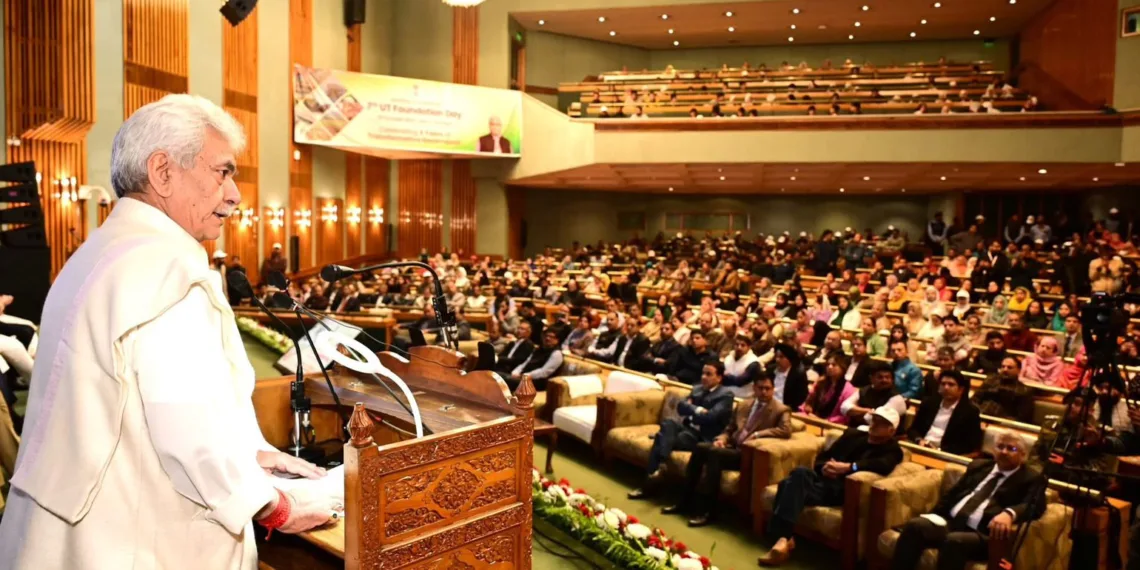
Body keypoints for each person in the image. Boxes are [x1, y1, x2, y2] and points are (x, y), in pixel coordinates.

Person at [0, 95, 340, 569]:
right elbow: (186, 429)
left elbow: (122, 403)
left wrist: (250, 454)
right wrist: (276, 505)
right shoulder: (169, 268)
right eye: (222, 172)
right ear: (163, 172)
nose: (235, 194)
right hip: (132, 541)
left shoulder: (95, 253)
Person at [758, 407, 904, 566]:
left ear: (891, 431)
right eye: (874, 419)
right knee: (799, 474)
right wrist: (825, 467)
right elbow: (824, 457)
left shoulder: (893, 450)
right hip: (821, 480)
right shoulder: (853, 435)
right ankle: (784, 539)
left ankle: (781, 537)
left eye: (881, 423)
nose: (874, 424)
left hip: (840, 490)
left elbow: (882, 465)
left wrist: (849, 467)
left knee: (787, 484)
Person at [889, 432, 1046, 570]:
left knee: (954, 541)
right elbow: (953, 494)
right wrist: (933, 515)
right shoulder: (979, 466)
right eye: (1000, 447)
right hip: (951, 522)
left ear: (1023, 455)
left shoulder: (1031, 478)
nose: (1004, 452)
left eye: (1011, 449)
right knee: (915, 526)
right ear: (993, 450)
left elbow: (1035, 505)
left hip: (982, 533)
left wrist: (1010, 513)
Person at [665, 372, 791, 526]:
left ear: (773, 389)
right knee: (700, 448)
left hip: (747, 454)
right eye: (760, 388)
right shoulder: (745, 404)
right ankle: (684, 501)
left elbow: (785, 430)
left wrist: (758, 434)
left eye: (768, 388)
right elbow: (729, 428)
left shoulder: (780, 410)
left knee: (713, 453)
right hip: (731, 448)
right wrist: (721, 439)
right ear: (754, 388)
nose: (764, 392)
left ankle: (708, 511)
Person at [628, 362, 734, 499]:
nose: (704, 377)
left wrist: (693, 408)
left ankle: (648, 486)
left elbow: (711, 417)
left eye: (709, 374)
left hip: (700, 436)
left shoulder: (726, 395)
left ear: (719, 378)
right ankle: (660, 466)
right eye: (703, 373)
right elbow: (680, 407)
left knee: (661, 438)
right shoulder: (697, 389)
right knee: (668, 423)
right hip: (686, 427)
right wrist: (698, 409)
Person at [907, 370, 984, 455]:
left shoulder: (970, 411)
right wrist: (919, 440)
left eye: (951, 384)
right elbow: (913, 429)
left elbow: (968, 445)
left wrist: (939, 450)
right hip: (919, 446)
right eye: (943, 384)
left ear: (961, 390)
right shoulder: (929, 403)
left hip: (945, 454)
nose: (946, 387)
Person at [840, 361, 908, 427]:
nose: (884, 380)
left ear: (892, 380)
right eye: (880, 377)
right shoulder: (864, 390)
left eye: (887, 377)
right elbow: (844, 407)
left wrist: (854, 412)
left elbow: (872, 420)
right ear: (871, 378)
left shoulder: (897, 398)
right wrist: (867, 411)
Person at [972, 357, 1035, 423]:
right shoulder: (990, 380)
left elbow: (1023, 418)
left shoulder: (1024, 390)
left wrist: (1001, 422)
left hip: (1002, 424)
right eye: (1003, 366)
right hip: (979, 417)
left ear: (1019, 370)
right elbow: (974, 400)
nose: (1005, 369)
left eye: (1009, 367)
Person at [802, 354, 858, 425]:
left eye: (834, 365)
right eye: (828, 364)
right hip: (811, 417)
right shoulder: (820, 382)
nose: (830, 367)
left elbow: (844, 417)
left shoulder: (849, 390)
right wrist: (808, 407)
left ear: (843, 368)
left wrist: (823, 421)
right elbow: (808, 401)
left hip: (830, 424)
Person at [768, 343, 809, 410]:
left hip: (785, 408)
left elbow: (801, 398)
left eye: (781, 357)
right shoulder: (770, 370)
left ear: (790, 358)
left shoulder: (798, 375)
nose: (777, 360)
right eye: (776, 356)